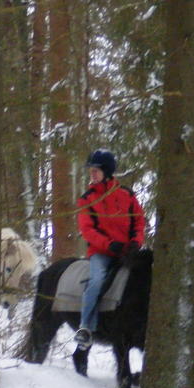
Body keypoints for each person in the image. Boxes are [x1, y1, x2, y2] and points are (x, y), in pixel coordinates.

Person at [74, 148, 146, 350]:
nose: (92, 174)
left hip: (128, 252)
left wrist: (135, 241)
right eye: (91, 171)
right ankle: (85, 328)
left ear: (107, 171)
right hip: (102, 254)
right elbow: (87, 230)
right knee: (96, 282)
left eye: (96, 170)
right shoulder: (86, 199)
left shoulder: (127, 195)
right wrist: (108, 244)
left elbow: (139, 222)